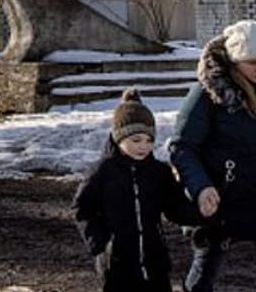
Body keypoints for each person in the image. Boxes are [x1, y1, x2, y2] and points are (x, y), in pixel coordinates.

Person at [168, 20, 256, 292]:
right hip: (224, 203)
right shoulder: (208, 93)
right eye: (253, 62)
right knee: (202, 279)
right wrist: (201, 187)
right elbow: (182, 147)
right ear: (234, 61)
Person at [74, 88, 196, 292]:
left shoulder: (159, 172)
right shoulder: (102, 171)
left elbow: (175, 207)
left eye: (149, 140)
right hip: (117, 263)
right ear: (119, 138)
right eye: (136, 140)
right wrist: (100, 244)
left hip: (155, 260)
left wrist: (201, 212)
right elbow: (82, 208)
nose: (143, 147)